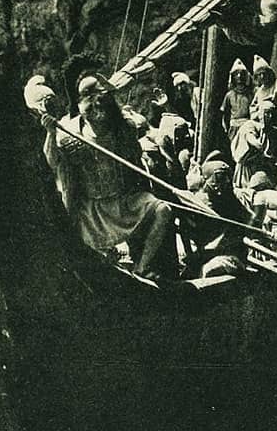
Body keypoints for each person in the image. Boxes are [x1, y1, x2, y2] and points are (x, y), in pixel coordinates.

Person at [37, 75, 178, 281]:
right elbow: (52, 162)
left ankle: (140, 269)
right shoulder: (69, 135)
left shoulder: (125, 129)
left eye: (102, 99)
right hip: (91, 210)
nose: (97, 106)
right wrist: (50, 132)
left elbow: (137, 163)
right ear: (80, 104)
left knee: (162, 210)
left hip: (124, 203)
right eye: (90, 100)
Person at [189, 159, 250, 278]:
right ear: (207, 179)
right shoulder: (198, 202)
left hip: (230, 255)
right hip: (204, 254)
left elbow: (246, 224)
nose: (226, 182)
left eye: (228, 178)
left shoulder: (231, 201)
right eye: (219, 178)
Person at [230, 98, 277, 191]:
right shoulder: (250, 125)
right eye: (266, 112)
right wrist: (259, 143)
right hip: (248, 168)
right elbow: (251, 138)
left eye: (271, 113)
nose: (268, 116)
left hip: (265, 168)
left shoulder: (275, 132)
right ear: (260, 113)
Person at [250, 55, 277, 121]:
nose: (262, 76)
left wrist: (273, 109)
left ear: (269, 73)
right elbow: (253, 110)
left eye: (264, 73)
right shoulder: (259, 91)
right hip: (262, 123)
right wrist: (259, 113)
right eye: (259, 74)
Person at [220, 58, 253, 141]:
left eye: (242, 73)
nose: (239, 76)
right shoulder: (229, 95)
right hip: (233, 127)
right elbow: (225, 114)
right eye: (236, 74)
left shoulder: (250, 94)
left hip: (247, 126)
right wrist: (227, 128)